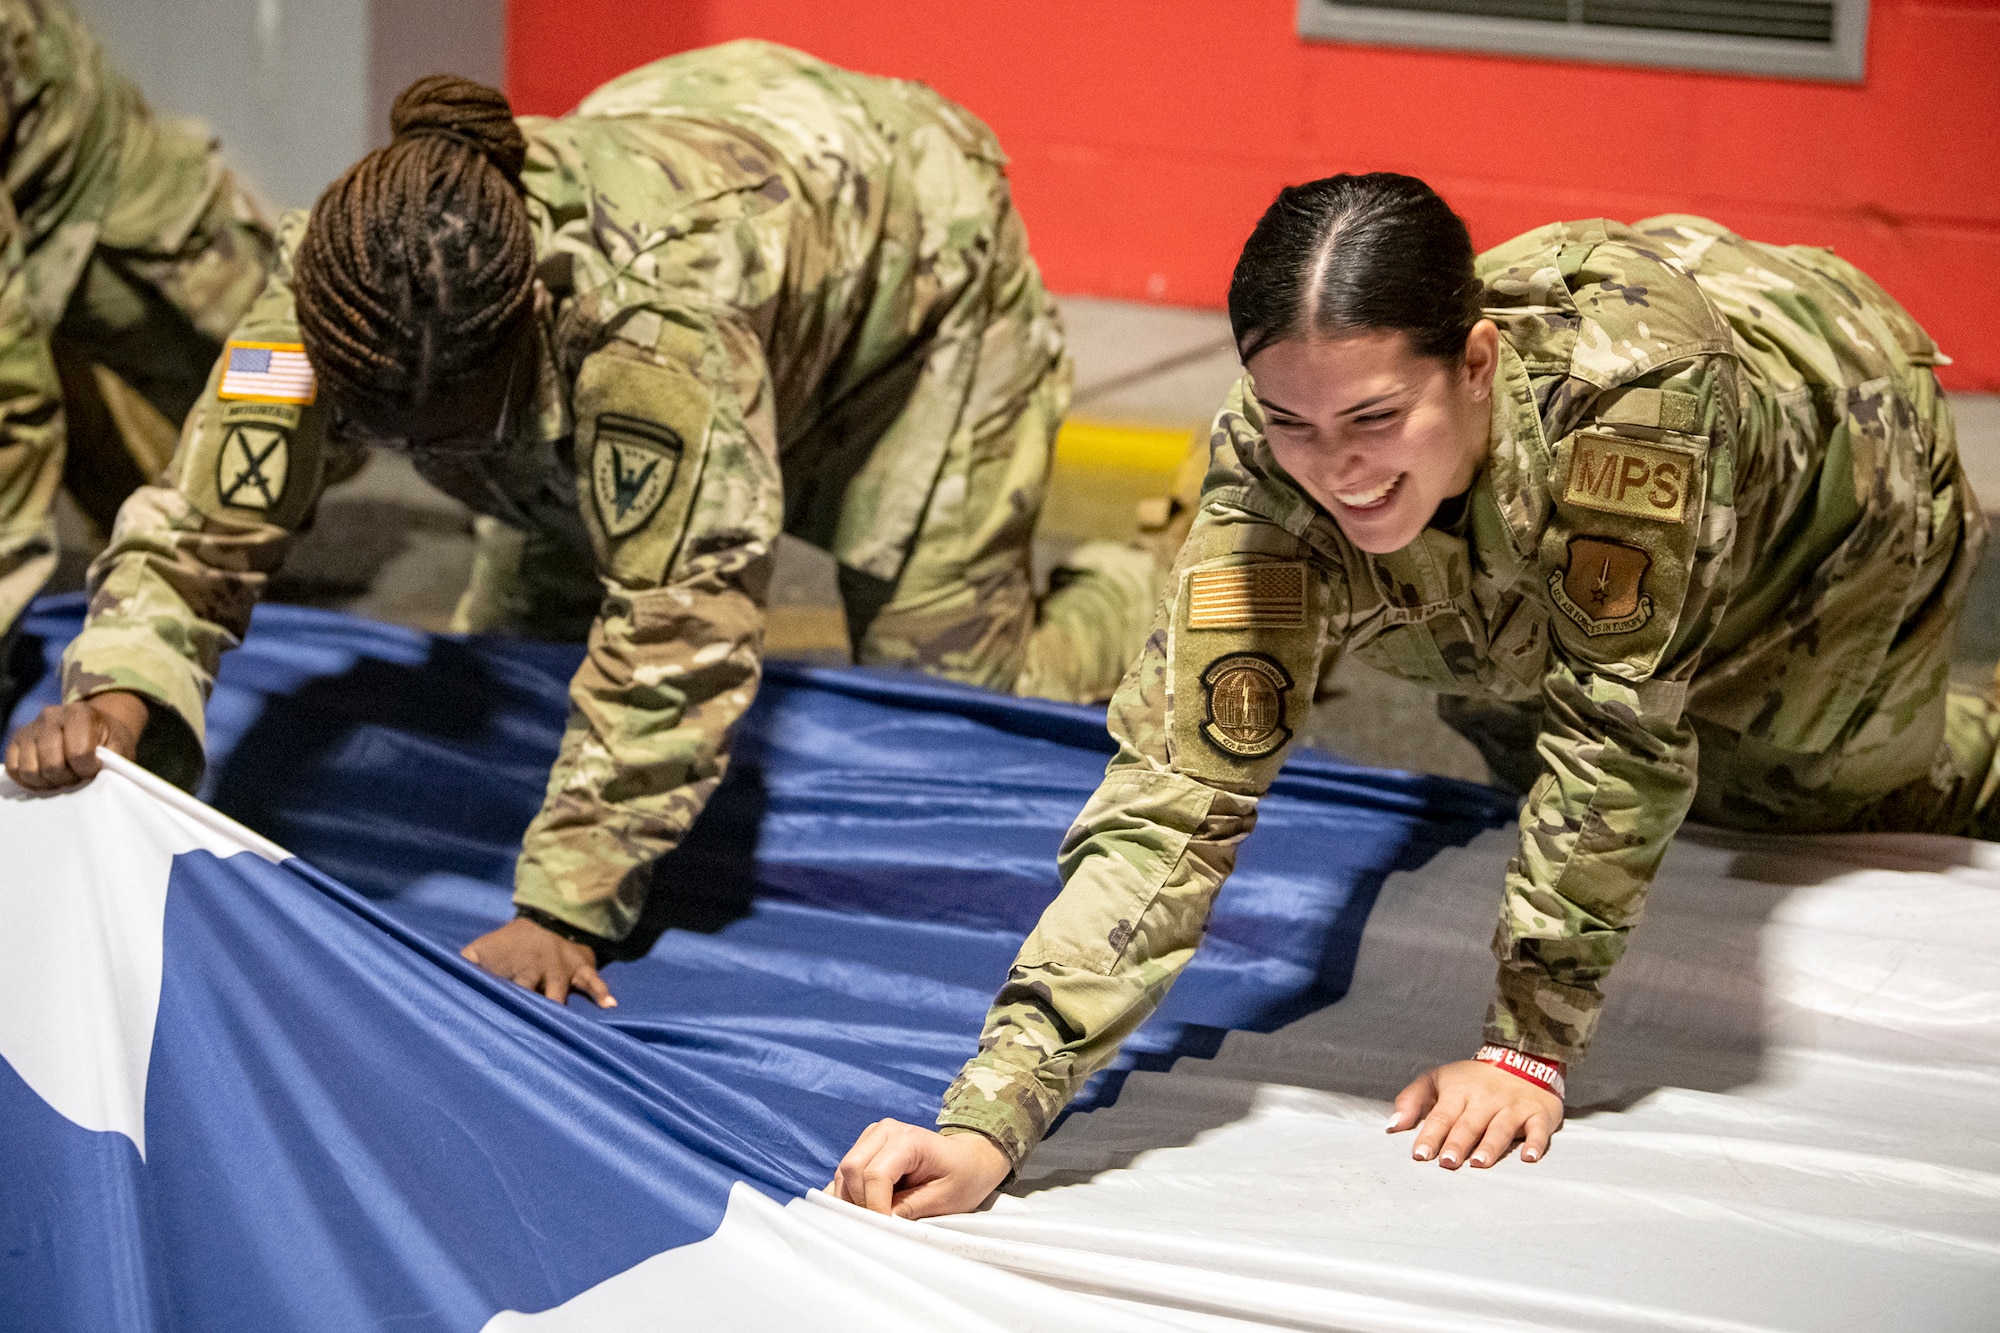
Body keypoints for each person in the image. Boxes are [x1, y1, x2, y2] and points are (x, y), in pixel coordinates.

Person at [827, 172, 1989, 1218]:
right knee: (1512, 703)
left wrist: (1524, 1049)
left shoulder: (1637, 411)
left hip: (1836, 484)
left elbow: (1614, 735)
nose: (1333, 466)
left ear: (1473, 364)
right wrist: (991, 1114)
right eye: (1293, 422)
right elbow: (1175, 792)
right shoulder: (1268, 469)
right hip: (1529, 530)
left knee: (1809, 803)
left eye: (1374, 418)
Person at [3, 42, 1167, 1005]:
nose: (414, 457)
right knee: (519, 663)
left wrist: (562, 907)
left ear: (526, 331)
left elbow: (679, 632)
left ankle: (1136, 581)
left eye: (447, 428)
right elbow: (206, 517)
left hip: (908, 276)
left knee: (953, 712)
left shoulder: (650, 336)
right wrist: (127, 688)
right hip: (698, 169)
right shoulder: (332, 287)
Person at [0, 0, 273, 711]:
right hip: (38, 237)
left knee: (295, 405)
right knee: (152, 517)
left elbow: (12, 413)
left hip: (132, 229)